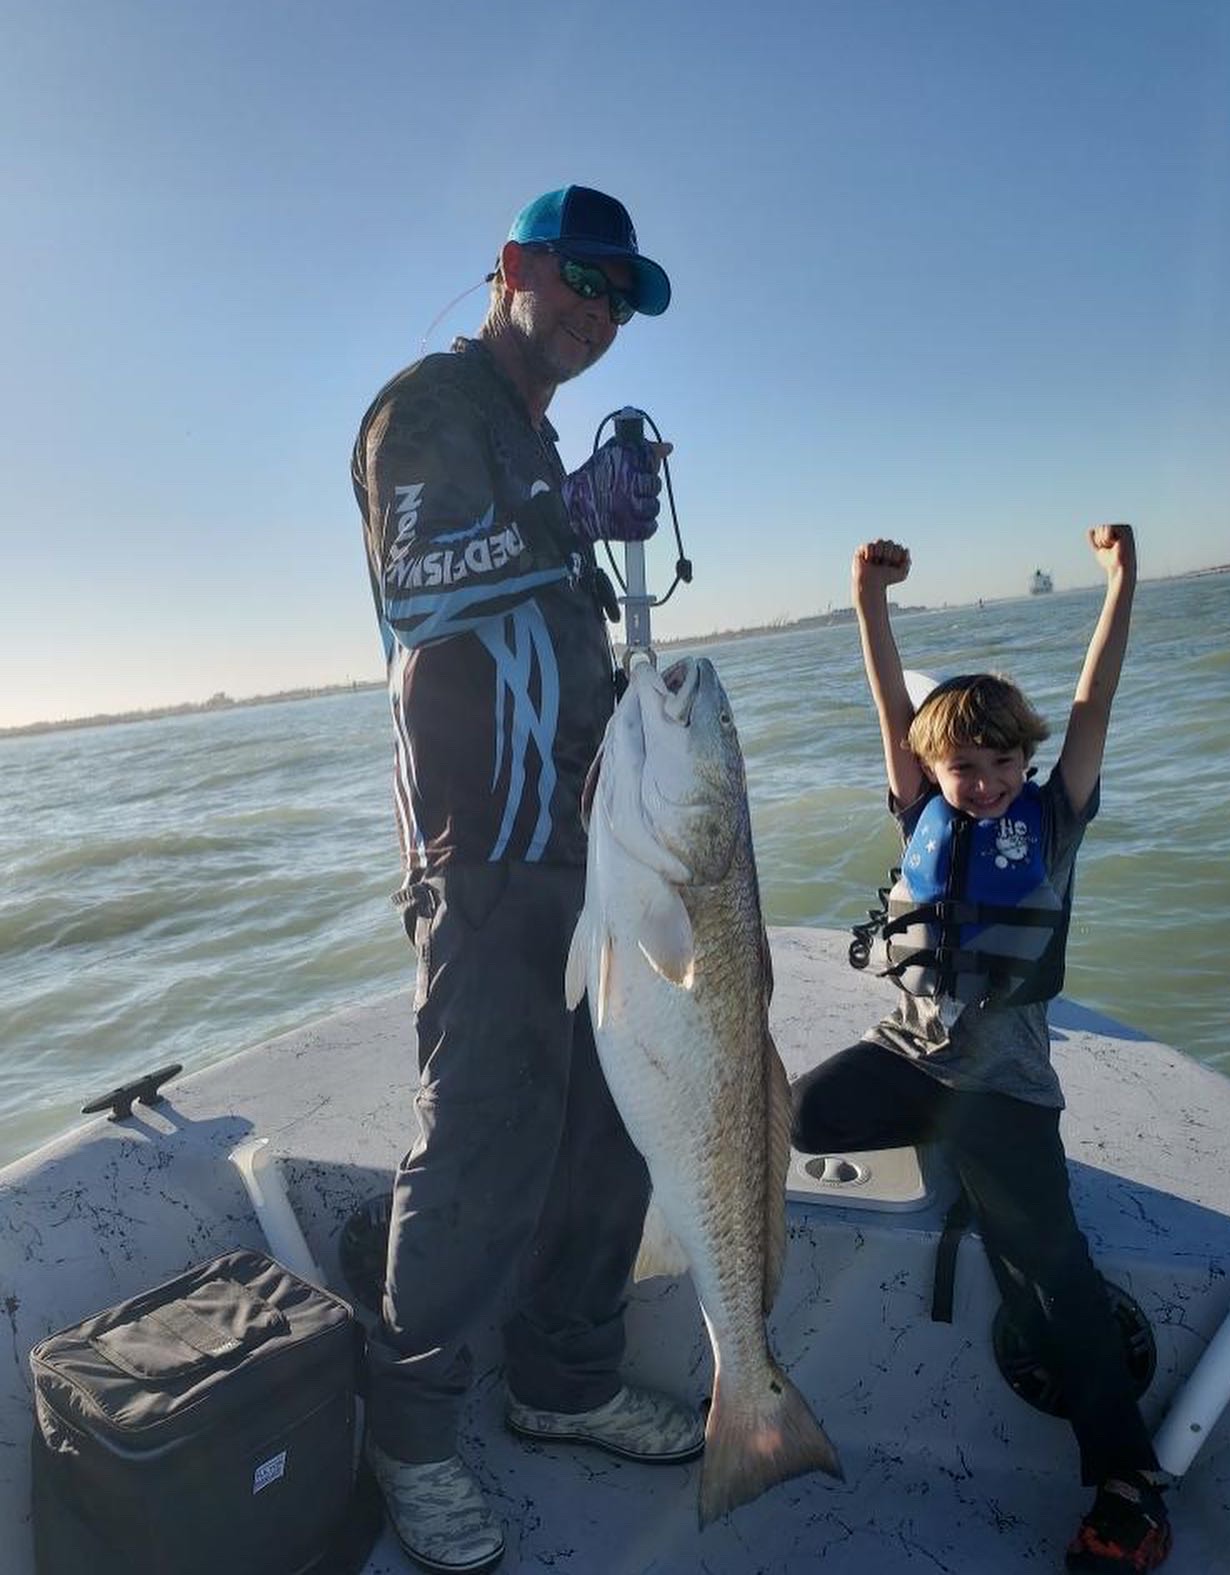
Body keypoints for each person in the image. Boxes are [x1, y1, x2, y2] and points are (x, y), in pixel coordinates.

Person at [351, 187, 702, 1575]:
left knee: (613, 1124)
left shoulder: (539, 438)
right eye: (584, 280)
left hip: (585, 847)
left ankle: (562, 1379)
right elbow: (420, 574)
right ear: (514, 268)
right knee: (486, 1132)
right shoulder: (429, 406)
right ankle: (415, 1430)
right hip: (485, 852)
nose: (600, 313)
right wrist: (565, 509)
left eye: (622, 299)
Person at [792, 527, 1172, 1574]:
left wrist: (1122, 582)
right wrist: (865, 597)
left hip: (1002, 1087)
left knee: (1051, 1271)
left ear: (1030, 762)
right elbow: (886, 701)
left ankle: (1127, 1488)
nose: (989, 782)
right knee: (788, 1117)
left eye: (1006, 762)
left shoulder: (1052, 824)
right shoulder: (918, 803)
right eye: (966, 765)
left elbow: (1093, 704)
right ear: (931, 766)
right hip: (906, 1057)